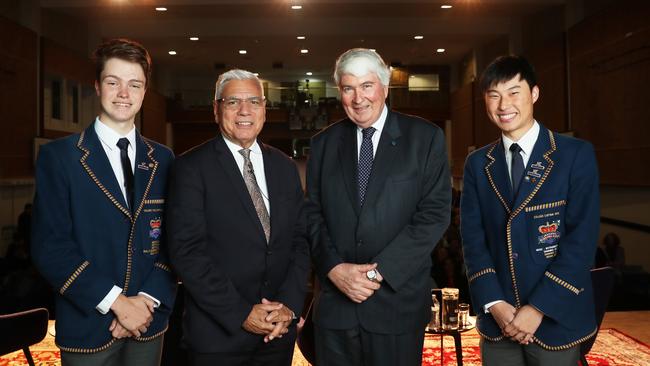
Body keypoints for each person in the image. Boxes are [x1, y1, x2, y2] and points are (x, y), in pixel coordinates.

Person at [31, 38, 176, 366]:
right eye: (114, 82)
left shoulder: (164, 159)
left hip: (147, 322)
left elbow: (173, 241)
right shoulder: (60, 157)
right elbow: (50, 248)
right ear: (97, 86)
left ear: (144, 91)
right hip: (88, 325)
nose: (124, 93)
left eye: (134, 84)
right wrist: (118, 304)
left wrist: (144, 303)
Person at [306, 48, 451, 366]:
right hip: (336, 307)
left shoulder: (425, 139)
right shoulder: (323, 145)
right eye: (348, 88)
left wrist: (376, 274)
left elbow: (434, 214)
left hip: (396, 305)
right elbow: (311, 215)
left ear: (385, 86)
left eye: (367, 85)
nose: (358, 98)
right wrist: (334, 269)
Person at [460, 55, 600, 365]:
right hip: (499, 321)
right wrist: (495, 304)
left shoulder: (574, 155)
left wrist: (536, 309)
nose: (503, 104)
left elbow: (582, 241)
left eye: (513, 92)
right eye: (493, 95)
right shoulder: (478, 164)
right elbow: (473, 240)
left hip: (555, 318)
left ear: (534, 94)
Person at [166, 69, 310, 366]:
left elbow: (300, 241)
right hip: (219, 335)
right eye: (233, 102)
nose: (245, 111)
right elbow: (187, 253)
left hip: (277, 332)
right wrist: (241, 313)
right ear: (216, 110)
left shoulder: (285, 167)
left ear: (264, 111)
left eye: (254, 102)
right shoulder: (190, 168)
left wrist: (289, 307)